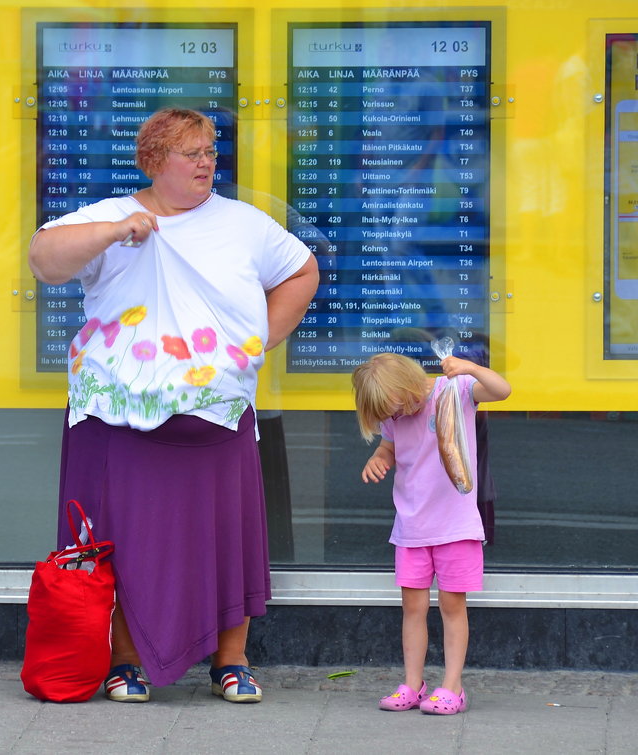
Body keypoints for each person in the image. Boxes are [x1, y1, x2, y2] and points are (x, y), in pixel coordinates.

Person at [27, 107, 319, 703]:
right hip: (117, 420)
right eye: (193, 152)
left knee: (226, 537)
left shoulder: (242, 223)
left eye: (211, 151)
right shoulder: (110, 216)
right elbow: (44, 258)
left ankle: (230, 661)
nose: (208, 162)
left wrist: (254, 344)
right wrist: (116, 232)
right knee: (120, 540)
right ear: (156, 161)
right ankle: (124, 663)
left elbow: (301, 272)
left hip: (214, 418)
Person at [352, 351, 511, 715]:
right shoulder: (394, 413)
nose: (399, 415)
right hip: (412, 527)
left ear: (409, 384)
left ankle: (452, 685)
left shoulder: (452, 391)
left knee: (453, 607)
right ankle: (413, 683)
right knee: (413, 607)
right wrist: (380, 457)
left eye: (400, 405)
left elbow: (502, 391)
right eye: (390, 413)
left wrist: (469, 368)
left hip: (456, 525)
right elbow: (389, 445)